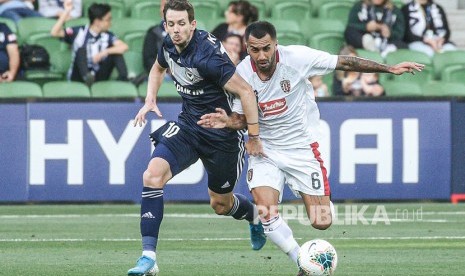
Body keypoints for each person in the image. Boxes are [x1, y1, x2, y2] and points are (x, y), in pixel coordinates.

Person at [198, 21, 424, 275]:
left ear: (275, 44)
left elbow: (345, 62)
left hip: (302, 148)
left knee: (321, 221)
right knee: (266, 211)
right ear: (247, 48)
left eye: (266, 49)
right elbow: (242, 119)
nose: (261, 56)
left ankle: (314, 201)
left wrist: (389, 68)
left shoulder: (298, 58)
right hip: (266, 150)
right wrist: (229, 122)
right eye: (254, 50)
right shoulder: (241, 74)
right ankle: (301, 261)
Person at [128, 1, 266, 275]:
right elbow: (158, 68)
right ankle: (148, 258)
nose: (176, 30)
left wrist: (253, 136)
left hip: (221, 134)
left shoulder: (208, 58)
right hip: (189, 126)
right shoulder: (168, 44)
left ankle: (253, 215)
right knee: (151, 175)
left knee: (220, 204)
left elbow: (247, 92)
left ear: (193, 24)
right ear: (165, 25)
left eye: (182, 24)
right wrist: (150, 99)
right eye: (171, 24)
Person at [50, 1, 128, 86]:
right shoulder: (79, 31)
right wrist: (66, 11)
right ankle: (87, 77)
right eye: (108, 20)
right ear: (97, 21)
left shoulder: (108, 35)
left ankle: (124, 79)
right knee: (80, 50)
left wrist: (104, 52)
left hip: (98, 75)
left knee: (116, 53)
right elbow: (54, 33)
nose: (110, 23)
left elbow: (124, 47)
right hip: (78, 76)